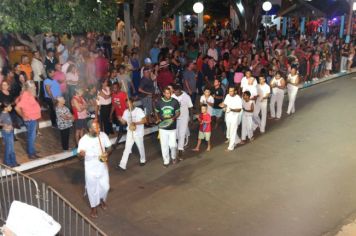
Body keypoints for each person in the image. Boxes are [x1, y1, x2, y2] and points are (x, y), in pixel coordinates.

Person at [78, 120, 112, 218]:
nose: (99, 129)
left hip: (102, 166)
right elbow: (80, 156)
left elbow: (109, 147)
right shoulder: (84, 140)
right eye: (96, 128)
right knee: (92, 188)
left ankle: (102, 198)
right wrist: (81, 154)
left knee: (106, 187)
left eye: (99, 127)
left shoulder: (103, 135)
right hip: (90, 167)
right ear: (90, 129)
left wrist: (107, 153)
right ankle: (94, 207)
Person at [117, 98, 147, 170]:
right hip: (130, 132)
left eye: (129, 103)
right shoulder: (126, 112)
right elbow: (124, 122)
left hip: (138, 132)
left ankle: (143, 160)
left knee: (140, 147)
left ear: (133, 103)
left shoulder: (138, 110)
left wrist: (135, 123)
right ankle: (122, 164)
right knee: (127, 147)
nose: (127, 105)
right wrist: (120, 119)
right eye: (126, 104)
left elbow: (144, 120)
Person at [155, 87, 180, 167]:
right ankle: (166, 160)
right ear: (163, 93)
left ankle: (173, 157)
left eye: (169, 93)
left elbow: (178, 112)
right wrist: (158, 118)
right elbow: (156, 112)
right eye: (166, 93)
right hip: (163, 127)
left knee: (173, 145)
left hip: (172, 127)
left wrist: (173, 118)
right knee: (164, 145)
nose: (168, 95)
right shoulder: (159, 102)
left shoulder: (175, 102)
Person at [15, 80, 41, 159]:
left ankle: (32, 150)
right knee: (31, 137)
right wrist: (23, 115)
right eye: (33, 86)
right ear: (29, 88)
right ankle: (31, 154)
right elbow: (17, 108)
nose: (35, 87)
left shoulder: (28, 94)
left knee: (32, 136)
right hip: (30, 119)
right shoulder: (26, 95)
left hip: (32, 118)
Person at [172, 84, 193, 158]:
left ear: (180, 90)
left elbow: (190, 108)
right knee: (176, 134)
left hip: (184, 118)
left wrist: (191, 118)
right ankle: (177, 147)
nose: (176, 94)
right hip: (175, 118)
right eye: (174, 92)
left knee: (182, 134)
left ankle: (180, 149)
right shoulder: (173, 96)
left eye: (177, 92)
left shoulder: (186, 97)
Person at [220, 86, 242, 151]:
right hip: (228, 116)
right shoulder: (227, 96)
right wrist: (222, 105)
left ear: (235, 91)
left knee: (232, 131)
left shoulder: (238, 98)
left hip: (235, 117)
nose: (230, 92)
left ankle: (231, 147)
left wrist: (231, 109)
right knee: (229, 130)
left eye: (232, 91)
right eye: (229, 91)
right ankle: (237, 140)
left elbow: (239, 109)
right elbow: (225, 104)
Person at [0, 102, 18, 167]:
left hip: (10, 132)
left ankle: (13, 162)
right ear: (5, 108)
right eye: (9, 106)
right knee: (8, 148)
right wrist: (4, 125)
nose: (11, 107)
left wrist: (11, 126)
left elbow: (8, 121)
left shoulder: (7, 113)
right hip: (6, 133)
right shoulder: (2, 114)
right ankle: (6, 162)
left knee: (12, 148)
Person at [110, 82, 128, 147]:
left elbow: (128, 103)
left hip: (126, 115)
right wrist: (111, 114)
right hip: (119, 115)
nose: (114, 89)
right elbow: (113, 105)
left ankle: (117, 143)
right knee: (121, 128)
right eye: (113, 88)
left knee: (126, 128)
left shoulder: (123, 94)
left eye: (115, 88)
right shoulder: (113, 95)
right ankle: (117, 142)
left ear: (119, 88)